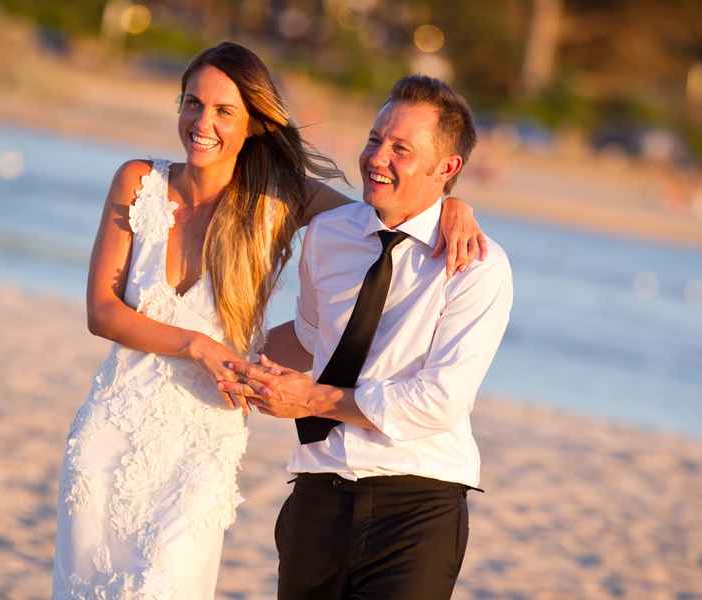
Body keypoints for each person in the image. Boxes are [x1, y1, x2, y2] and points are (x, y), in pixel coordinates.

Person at [51, 43, 488, 599]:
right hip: (111, 426)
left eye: (223, 111)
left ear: (254, 122)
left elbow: (387, 216)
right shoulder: (138, 181)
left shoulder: (279, 198)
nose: (201, 123)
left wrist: (454, 205)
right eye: (192, 103)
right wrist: (199, 347)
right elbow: (103, 311)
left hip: (200, 436)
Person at [222, 75, 514, 599]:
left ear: (447, 168)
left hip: (416, 504)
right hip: (316, 493)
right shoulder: (327, 236)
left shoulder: (476, 267)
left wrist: (310, 399)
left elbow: (438, 402)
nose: (377, 157)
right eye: (376, 139)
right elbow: (314, 337)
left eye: (401, 148)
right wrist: (224, 357)